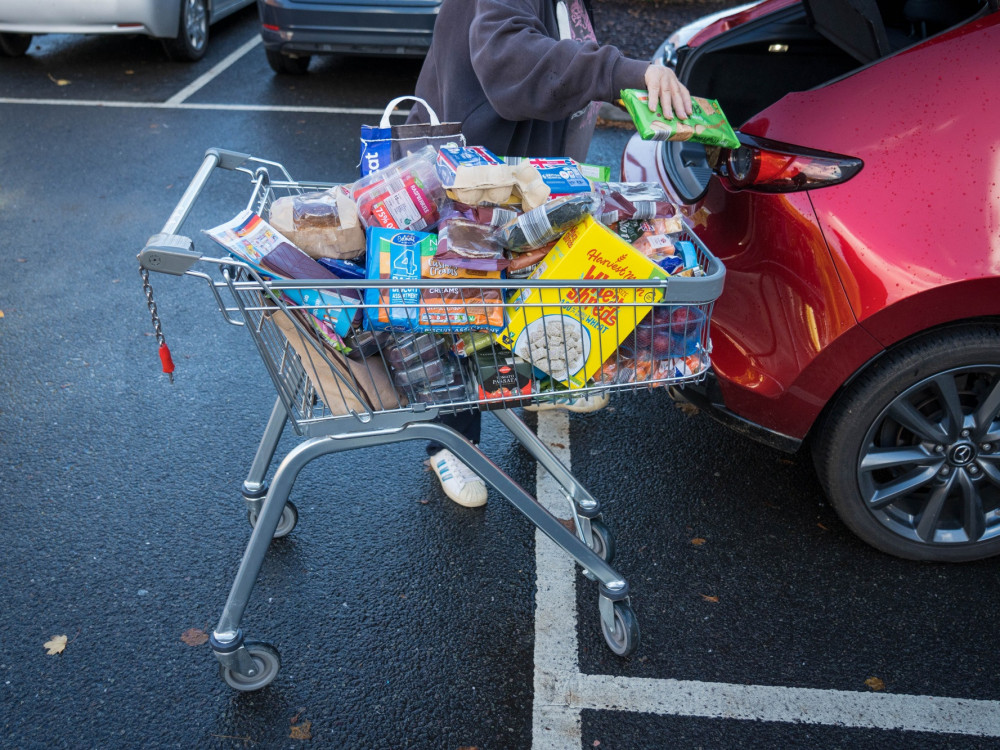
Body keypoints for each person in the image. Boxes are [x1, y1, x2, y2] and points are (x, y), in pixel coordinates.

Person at [409, 0, 693, 509]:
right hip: (471, 174)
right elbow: (508, 56)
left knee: (521, 288)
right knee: (460, 304)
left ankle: (536, 382)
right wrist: (622, 73)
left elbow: (562, 51)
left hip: (519, 176)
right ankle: (452, 440)